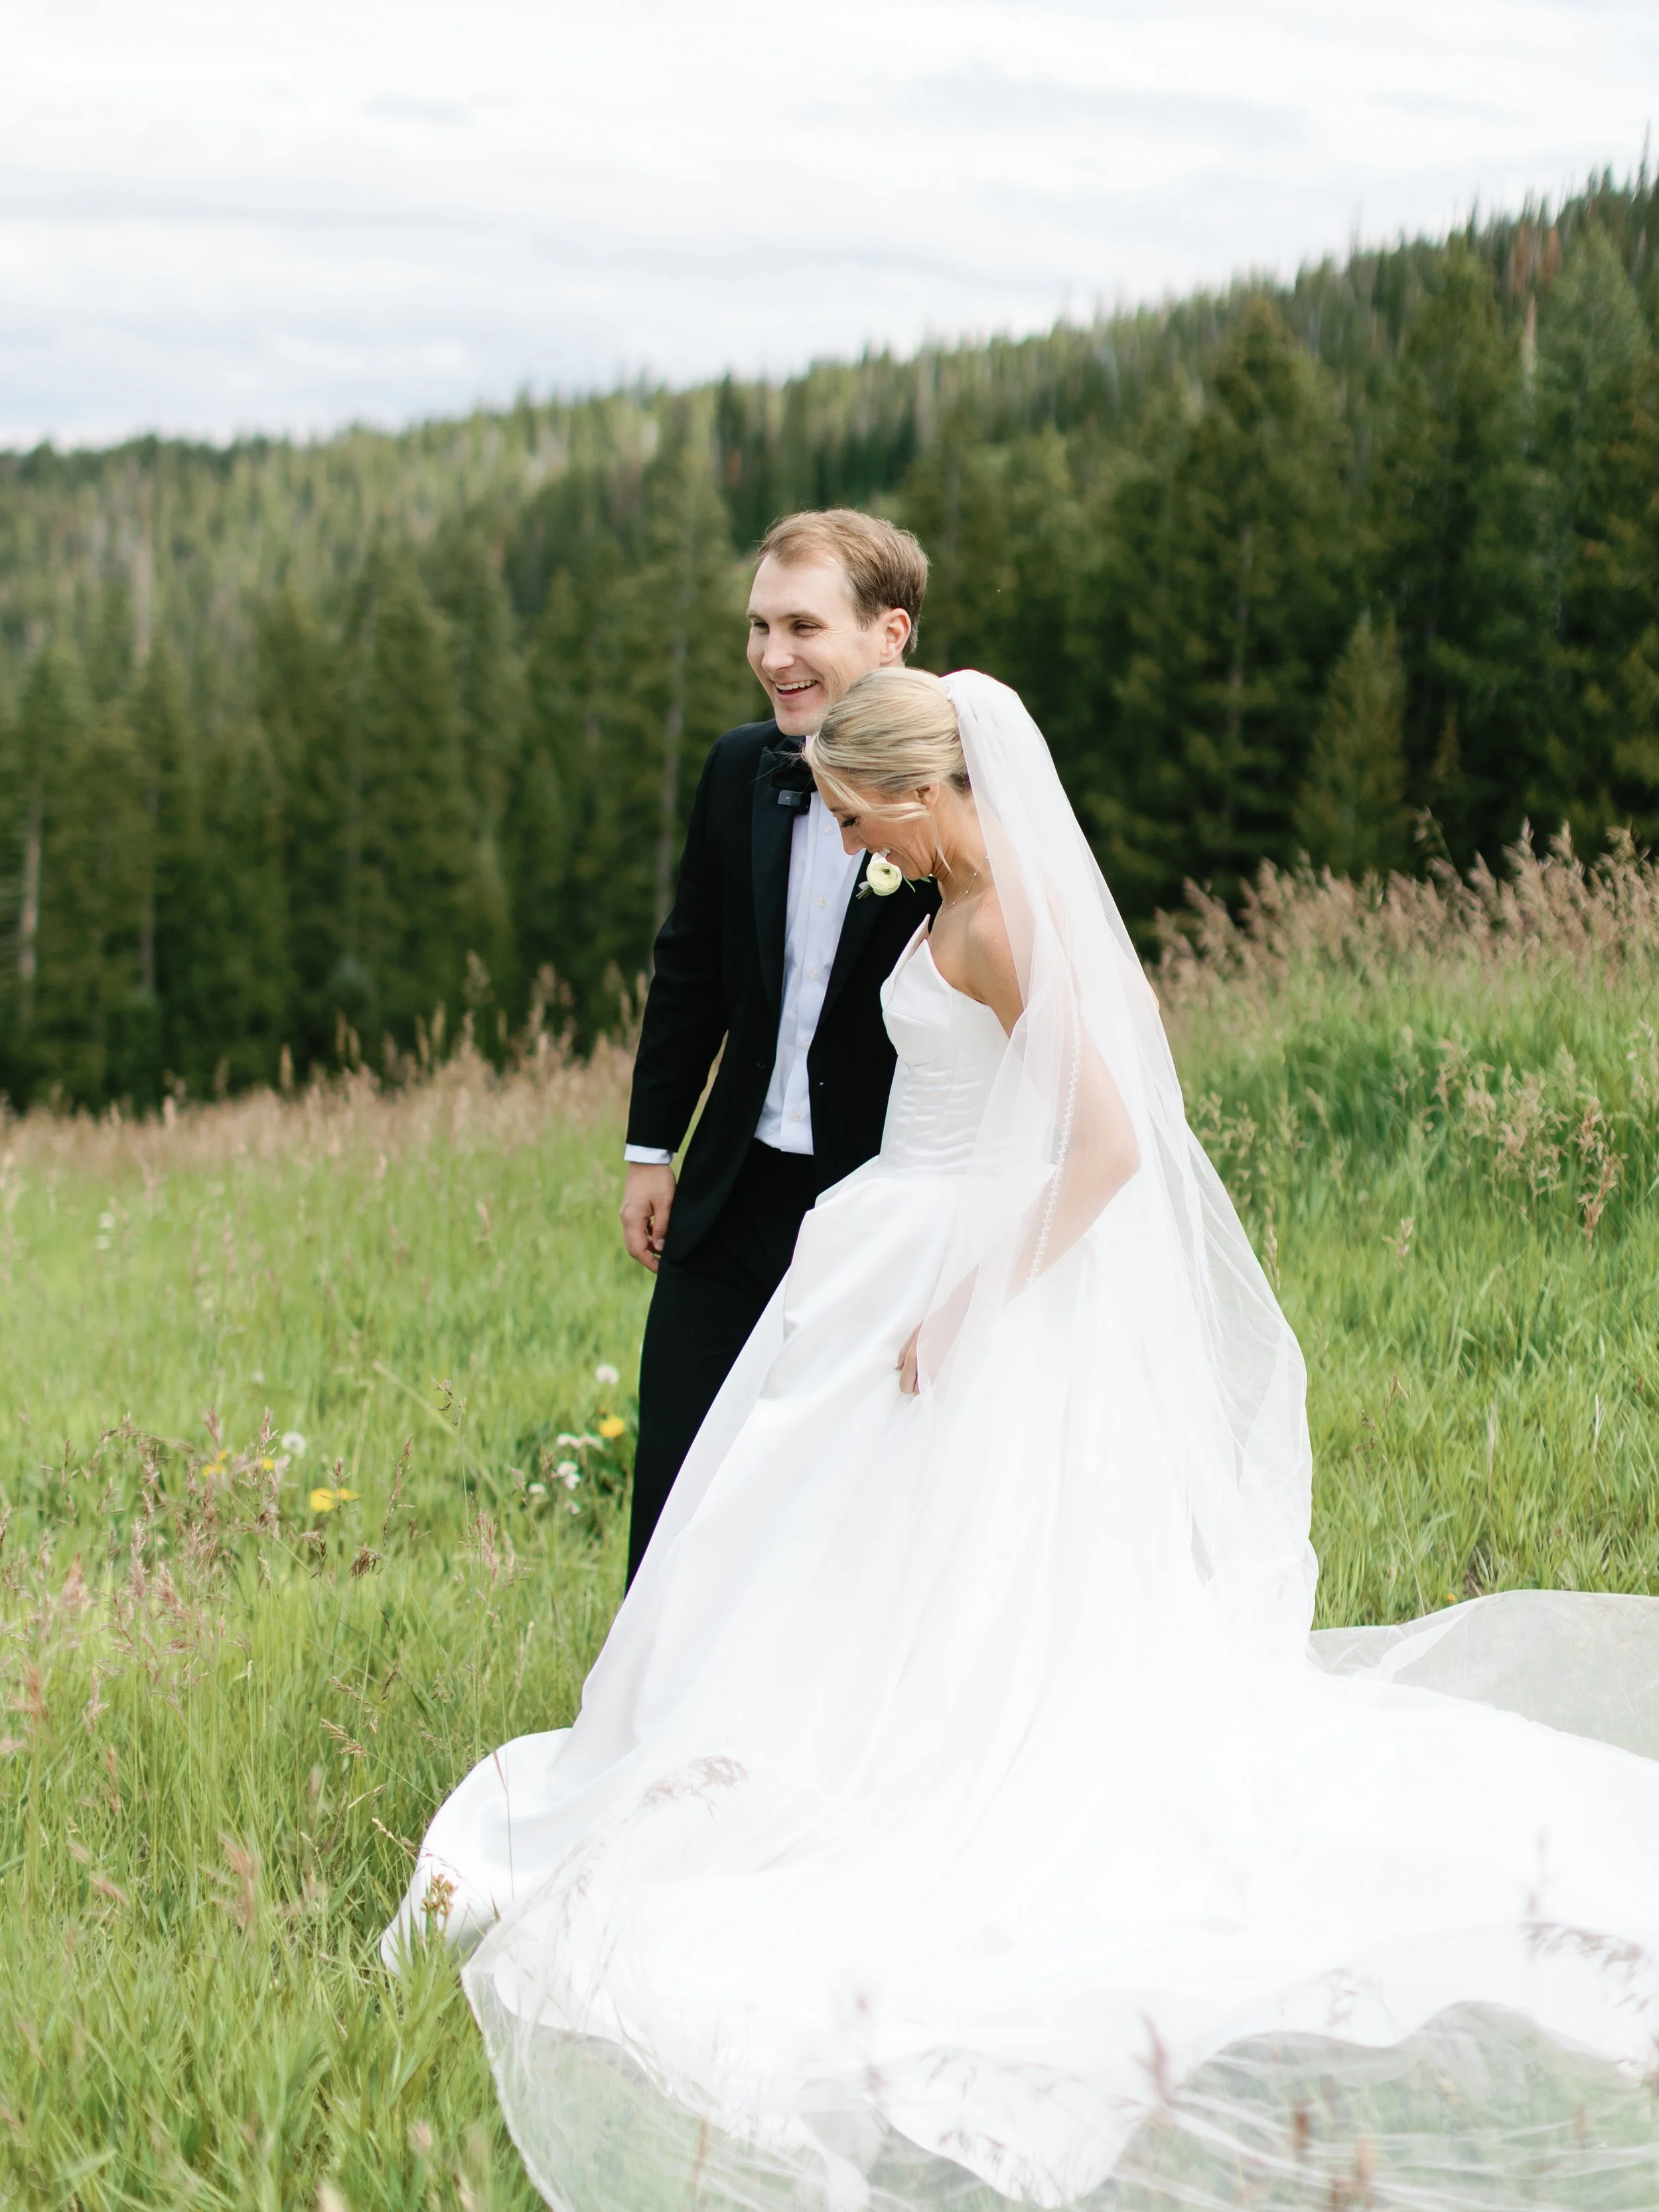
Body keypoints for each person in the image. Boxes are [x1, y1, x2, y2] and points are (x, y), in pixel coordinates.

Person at [390, 670, 1659, 2212]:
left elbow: (1109, 1142)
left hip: (963, 1279)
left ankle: (869, 1775)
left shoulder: (996, 924)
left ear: (924, 798)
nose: (856, 844)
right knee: (814, 1547)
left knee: (943, 1570)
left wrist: (974, 1301)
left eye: (864, 818)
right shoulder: (950, 895)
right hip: (891, 1251)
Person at [618, 508, 940, 1584]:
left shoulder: (956, 792)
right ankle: (649, 1718)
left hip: (880, 1198)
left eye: (802, 625)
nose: (771, 656)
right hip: (731, 1187)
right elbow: (691, 968)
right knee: (677, 1468)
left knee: (842, 1485)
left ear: (890, 634)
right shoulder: (736, 770)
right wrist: (651, 1150)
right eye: (758, 627)